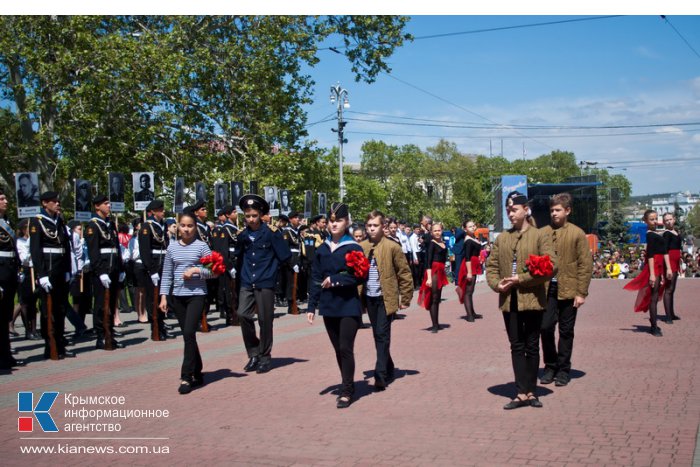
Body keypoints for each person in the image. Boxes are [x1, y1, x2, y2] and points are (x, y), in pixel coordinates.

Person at [486, 191, 556, 409]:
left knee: (532, 346)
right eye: (508, 209)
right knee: (516, 345)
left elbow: (550, 266)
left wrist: (522, 279)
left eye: (514, 209)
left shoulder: (540, 235)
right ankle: (520, 392)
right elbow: (492, 267)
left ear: (526, 210)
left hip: (533, 299)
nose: (510, 213)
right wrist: (497, 284)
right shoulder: (502, 238)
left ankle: (532, 391)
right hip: (510, 300)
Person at [307, 202, 367, 408]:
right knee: (337, 349)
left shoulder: (353, 246)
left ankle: (347, 390)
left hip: (348, 304)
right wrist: (311, 306)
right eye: (331, 221)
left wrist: (337, 280)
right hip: (328, 305)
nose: (334, 224)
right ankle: (347, 382)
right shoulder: (322, 249)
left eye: (339, 220)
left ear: (347, 222)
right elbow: (315, 277)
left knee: (345, 347)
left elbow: (360, 276)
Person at [159, 211, 219, 394]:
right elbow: (167, 273)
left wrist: (195, 270)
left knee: (188, 332)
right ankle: (198, 370)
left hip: (196, 295)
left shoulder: (202, 247)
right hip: (177, 296)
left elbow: (214, 271)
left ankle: (186, 377)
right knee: (189, 336)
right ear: (177, 227)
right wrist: (163, 296)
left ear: (195, 227)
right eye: (183, 226)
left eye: (190, 226)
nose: (186, 229)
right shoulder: (172, 248)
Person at [539, 193, 593, 387]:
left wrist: (581, 292)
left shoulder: (577, 233)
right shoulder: (542, 232)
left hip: (569, 289)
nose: (554, 213)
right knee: (545, 328)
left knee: (566, 331)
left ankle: (563, 369)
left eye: (558, 210)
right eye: (552, 210)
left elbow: (585, 265)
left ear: (567, 211)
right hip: (547, 289)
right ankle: (550, 365)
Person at [236, 194, 291, 374]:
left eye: (254, 215)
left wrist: (272, 271)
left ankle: (265, 356)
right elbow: (239, 256)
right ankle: (253, 353)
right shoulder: (243, 235)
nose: (251, 219)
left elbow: (285, 256)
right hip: (247, 280)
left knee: (265, 320)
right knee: (242, 314)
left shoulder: (272, 233)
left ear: (260, 215)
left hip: (265, 280)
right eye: (247, 216)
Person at [360, 210, 413, 391]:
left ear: (383, 227)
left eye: (375, 225)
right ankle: (389, 366)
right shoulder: (361, 247)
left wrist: (405, 297)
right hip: (369, 297)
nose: (372, 229)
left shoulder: (392, 247)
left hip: (386, 297)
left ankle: (380, 374)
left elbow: (404, 273)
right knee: (378, 334)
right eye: (369, 226)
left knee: (382, 334)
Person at [29, 191, 76, 360]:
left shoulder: (59, 221)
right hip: (47, 271)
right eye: (53, 201)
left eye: (58, 201)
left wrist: (68, 271)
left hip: (60, 270)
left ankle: (60, 343)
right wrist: (41, 274)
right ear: (44, 203)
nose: (57, 203)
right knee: (48, 310)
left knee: (60, 308)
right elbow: (35, 250)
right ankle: (50, 346)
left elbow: (66, 248)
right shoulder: (37, 222)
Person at [624, 210, 673, 337]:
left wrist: (665, 269)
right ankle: (653, 326)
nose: (655, 221)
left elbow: (662, 252)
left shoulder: (655, 233)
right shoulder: (650, 235)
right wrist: (652, 273)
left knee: (655, 297)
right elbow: (650, 255)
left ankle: (653, 323)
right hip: (654, 266)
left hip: (659, 266)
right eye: (651, 219)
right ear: (645, 221)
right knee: (654, 297)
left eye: (656, 218)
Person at [86, 195, 126, 350]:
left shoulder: (109, 224)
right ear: (97, 207)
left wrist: (121, 268)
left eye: (108, 203)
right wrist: (100, 271)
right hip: (102, 270)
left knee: (111, 303)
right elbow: (93, 251)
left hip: (114, 268)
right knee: (101, 304)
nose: (108, 205)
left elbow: (117, 247)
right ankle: (101, 335)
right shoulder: (93, 225)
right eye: (105, 203)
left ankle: (110, 332)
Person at [0, 187, 26, 369]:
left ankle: (5, 353)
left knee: (5, 315)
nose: (6, 201)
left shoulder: (7, 221)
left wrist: (18, 269)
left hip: (9, 273)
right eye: (2, 198)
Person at [139, 200, 170, 341]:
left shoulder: (162, 226)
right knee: (153, 298)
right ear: (153, 211)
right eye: (160, 209)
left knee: (163, 296)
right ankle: (155, 326)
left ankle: (161, 324)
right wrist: (152, 271)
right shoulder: (147, 226)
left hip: (163, 265)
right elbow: (145, 251)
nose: (163, 211)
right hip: (154, 267)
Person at [417, 222, 449, 333]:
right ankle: (434, 324)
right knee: (434, 298)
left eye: (439, 230)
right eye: (435, 231)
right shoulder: (431, 243)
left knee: (437, 298)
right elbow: (428, 262)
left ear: (442, 230)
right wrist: (429, 278)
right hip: (433, 271)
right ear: (431, 232)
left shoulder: (443, 243)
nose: (437, 232)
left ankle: (436, 323)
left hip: (440, 271)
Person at [211, 205, 239, 326]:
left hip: (237, 262)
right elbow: (222, 251)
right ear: (228, 215)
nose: (236, 213)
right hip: (230, 263)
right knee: (229, 291)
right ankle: (230, 316)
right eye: (234, 212)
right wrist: (229, 267)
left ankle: (235, 314)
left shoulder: (234, 229)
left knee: (236, 291)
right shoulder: (224, 229)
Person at [456, 220, 483, 322]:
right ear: (465, 229)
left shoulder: (473, 238)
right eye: (470, 226)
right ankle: (469, 315)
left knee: (471, 291)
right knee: (468, 291)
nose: (472, 227)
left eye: (473, 225)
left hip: (474, 264)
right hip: (469, 265)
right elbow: (467, 257)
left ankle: (472, 312)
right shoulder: (468, 240)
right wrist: (469, 272)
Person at [662, 213, 682, 322]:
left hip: (676, 261)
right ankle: (668, 316)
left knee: (672, 289)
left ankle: (672, 313)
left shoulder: (676, 232)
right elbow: (665, 251)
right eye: (666, 220)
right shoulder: (667, 233)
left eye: (670, 219)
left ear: (674, 219)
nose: (669, 221)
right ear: (664, 222)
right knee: (669, 289)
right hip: (670, 262)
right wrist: (668, 267)